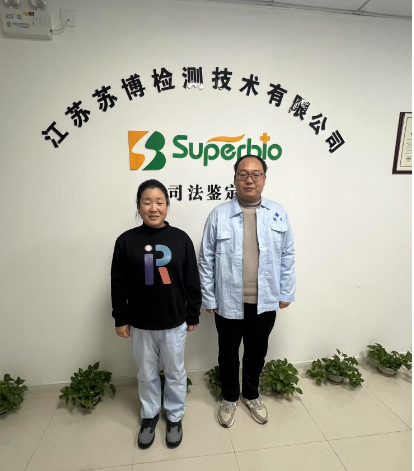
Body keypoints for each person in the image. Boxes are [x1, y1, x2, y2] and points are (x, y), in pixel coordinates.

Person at [198, 155, 295, 428]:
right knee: (228, 354)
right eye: (243, 174)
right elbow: (205, 259)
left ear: (264, 179)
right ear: (235, 179)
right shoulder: (218, 215)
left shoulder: (278, 213)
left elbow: (288, 254)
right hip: (228, 301)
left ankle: (251, 394)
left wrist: (286, 291)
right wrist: (209, 296)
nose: (249, 179)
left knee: (256, 351)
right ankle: (230, 397)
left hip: (265, 301)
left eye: (255, 174)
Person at [111, 179, 201, 449]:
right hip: (140, 323)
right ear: (138, 206)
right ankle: (149, 415)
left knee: (175, 372)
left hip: (174, 321)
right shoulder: (126, 241)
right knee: (146, 373)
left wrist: (193, 314)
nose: (153, 208)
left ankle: (174, 416)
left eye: (159, 202)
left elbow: (191, 279)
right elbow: (118, 283)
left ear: (167, 206)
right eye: (147, 202)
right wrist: (120, 318)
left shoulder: (181, 239)